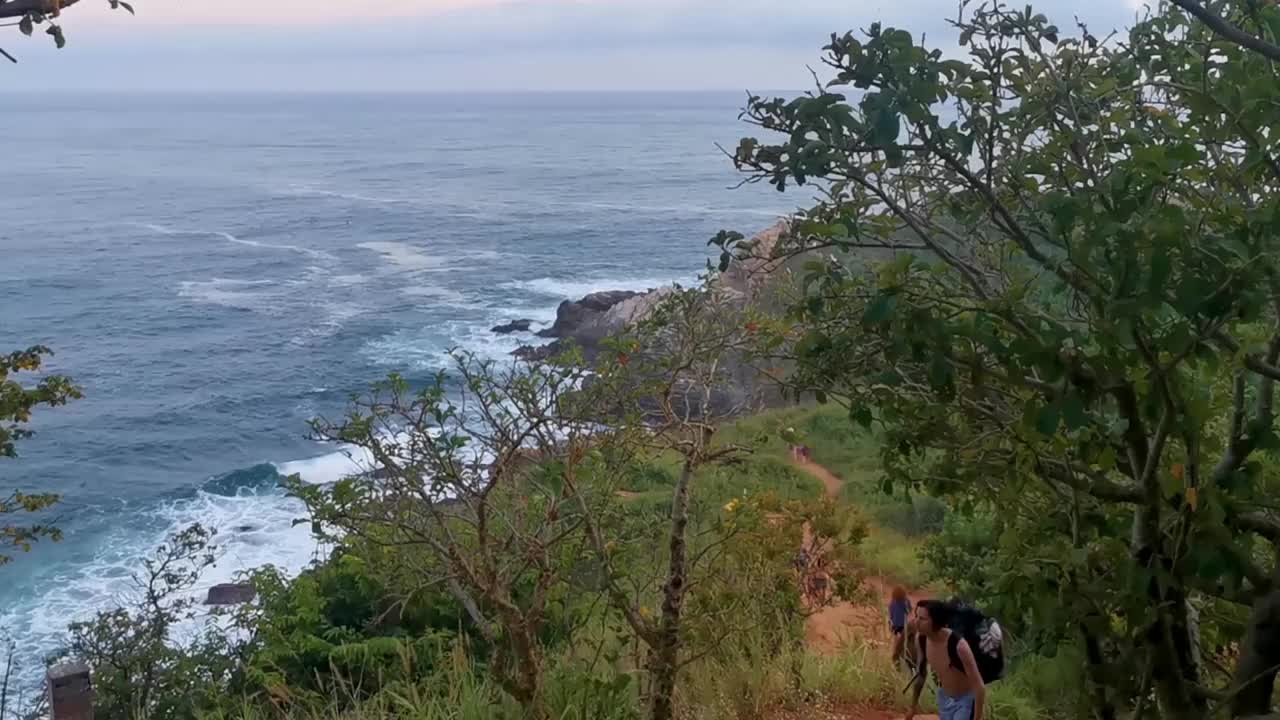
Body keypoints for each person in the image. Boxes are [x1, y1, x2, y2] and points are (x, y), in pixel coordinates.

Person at [907, 599, 986, 720]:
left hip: (966, 701)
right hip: (944, 698)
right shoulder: (921, 640)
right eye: (916, 616)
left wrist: (977, 718)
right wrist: (913, 707)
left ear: (936, 622)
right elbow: (921, 674)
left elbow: (979, 686)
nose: (916, 622)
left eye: (922, 619)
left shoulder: (958, 646)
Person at [889, 586, 912, 666]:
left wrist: (890, 623)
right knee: (904, 641)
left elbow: (890, 613)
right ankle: (903, 656)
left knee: (895, 641)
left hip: (895, 623)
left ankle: (895, 657)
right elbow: (909, 611)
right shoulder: (906, 601)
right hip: (903, 624)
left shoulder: (893, 602)